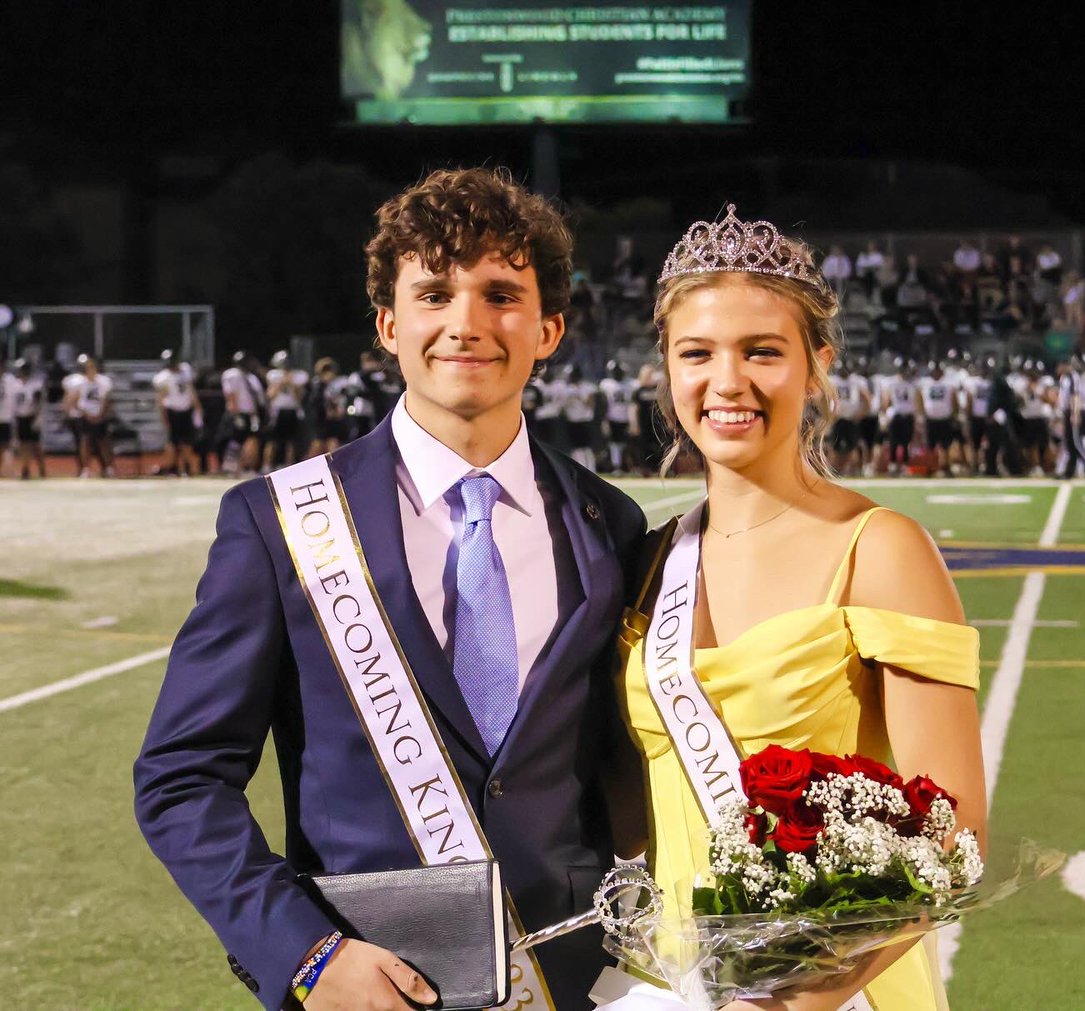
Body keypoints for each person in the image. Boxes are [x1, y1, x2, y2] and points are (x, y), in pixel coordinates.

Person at [134, 167, 646, 1011]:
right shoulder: (281, 521)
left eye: (500, 294)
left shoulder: (610, 524)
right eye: (434, 294)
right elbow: (181, 778)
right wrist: (306, 954)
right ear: (388, 324)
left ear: (549, 328)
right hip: (369, 985)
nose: (466, 323)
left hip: (578, 986)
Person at [615, 206, 985, 1010]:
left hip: (841, 995)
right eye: (697, 353)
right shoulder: (648, 563)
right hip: (678, 988)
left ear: (817, 365)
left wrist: (794, 998)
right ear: (666, 369)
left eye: (762, 351)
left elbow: (955, 836)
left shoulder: (880, 548)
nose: (727, 381)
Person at [152, 349, 201, 477]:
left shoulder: (186, 369)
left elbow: (191, 390)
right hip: (172, 411)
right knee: (173, 442)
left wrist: (197, 408)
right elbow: (160, 399)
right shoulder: (163, 377)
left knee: (187, 442)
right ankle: (172, 467)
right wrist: (164, 418)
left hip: (186, 410)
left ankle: (185, 468)